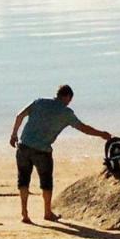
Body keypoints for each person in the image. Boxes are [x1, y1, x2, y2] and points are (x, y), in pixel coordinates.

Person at [9, 84, 111, 224]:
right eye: (70, 100)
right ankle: (47, 212)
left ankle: (25, 214)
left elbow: (19, 115)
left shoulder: (39, 102)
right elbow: (83, 128)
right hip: (42, 151)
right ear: (68, 97)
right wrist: (101, 134)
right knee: (46, 182)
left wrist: (14, 134)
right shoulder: (66, 113)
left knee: (23, 179)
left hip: (24, 146)